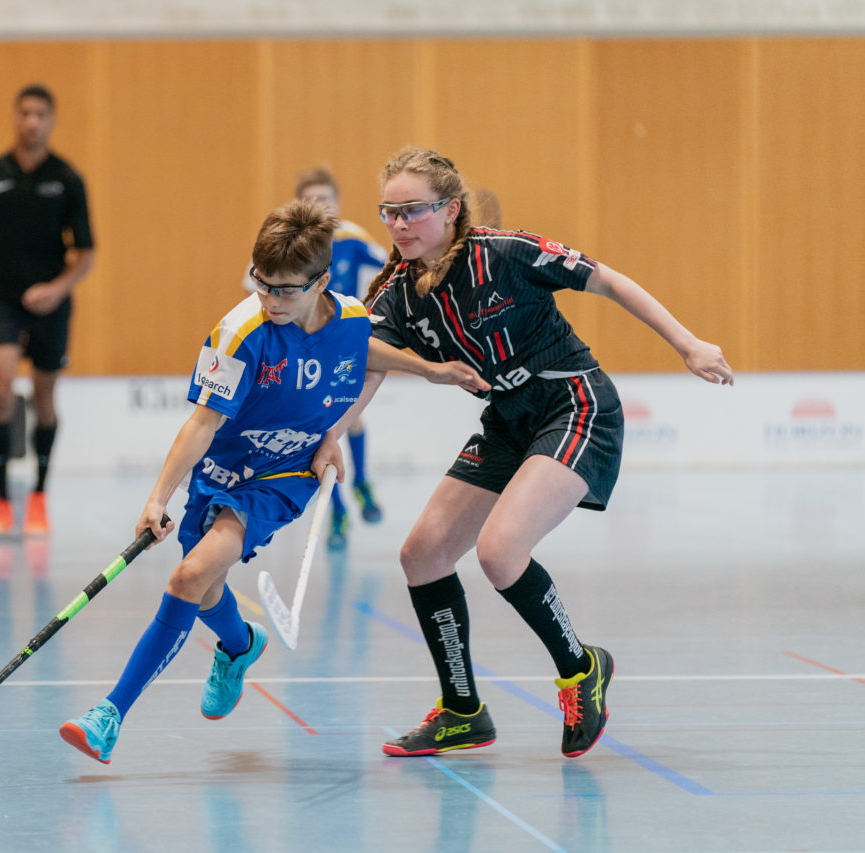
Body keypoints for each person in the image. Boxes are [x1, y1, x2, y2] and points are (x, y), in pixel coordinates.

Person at [314, 147, 733, 760]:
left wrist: (687, 342)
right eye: (389, 213)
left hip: (575, 405)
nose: (398, 225)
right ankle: (462, 711)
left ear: (451, 209)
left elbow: (608, 280)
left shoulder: (505, 253)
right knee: (423, 553)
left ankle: (580, 668)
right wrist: (333, 433)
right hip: (510, 420)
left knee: (500, 549)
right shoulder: (397, 295)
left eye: (412, 211)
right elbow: (370, 370)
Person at [58, 199, 379, 764]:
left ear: (321, 282)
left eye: (285, 290)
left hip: (284, 474)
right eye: (262, 284)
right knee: (206, 589)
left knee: (189, 576)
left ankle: (108, 715)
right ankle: (238, 645)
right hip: (221, 470)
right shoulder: (238, 331)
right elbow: (202, 422)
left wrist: (430, 374)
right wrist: (158, 497)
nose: (270, 299)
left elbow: (372, 356)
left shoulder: (351, 317)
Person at [0, 83, 94, 537]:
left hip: (50, 306)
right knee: (0, 389)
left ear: (51, 121)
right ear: (15, 118)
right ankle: (0, 501)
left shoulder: (68, 179)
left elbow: (87, 254)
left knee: (43, 399)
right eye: (25, 113)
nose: (32, 121)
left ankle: (38, 495)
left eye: (41, 114)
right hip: (0, 300)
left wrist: (57, 289)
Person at [290, 167, 389, 549]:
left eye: (327, 199)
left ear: (338, 203)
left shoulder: (352, 239)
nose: (321, 206)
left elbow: (387, 273)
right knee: (322, 429)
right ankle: (341, 509)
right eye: (313, 199)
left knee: (347, 419)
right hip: (302, 349)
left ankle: (355, 493)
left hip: (341, 342)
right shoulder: (291, 242)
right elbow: (254, 283)